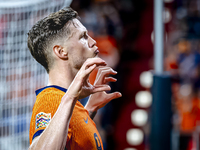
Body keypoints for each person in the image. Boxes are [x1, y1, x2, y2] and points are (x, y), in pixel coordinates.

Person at [28, 7, 121, 150]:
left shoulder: (70, 104)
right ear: (61, 51)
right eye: (83, 37)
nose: (93, 41)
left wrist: (90, 109)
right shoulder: (51, 99)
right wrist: (70, 96)